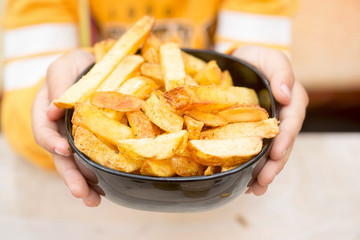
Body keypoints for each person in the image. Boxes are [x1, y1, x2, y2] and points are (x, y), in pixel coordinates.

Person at [1, 0, 308, 207]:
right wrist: (51, 103)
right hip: (86, 201)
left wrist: (258, 74)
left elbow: (250, 61)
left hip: (224, 200)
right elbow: (22, 110)